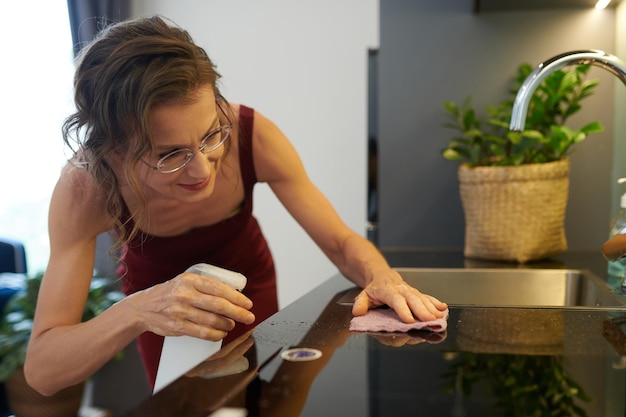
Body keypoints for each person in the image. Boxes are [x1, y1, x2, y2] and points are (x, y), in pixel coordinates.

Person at [24, 15, 447, 395]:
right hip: (161, 313)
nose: (202, 169)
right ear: (115, 152)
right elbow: (42, 372)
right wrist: (138, 309)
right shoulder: (84, 189)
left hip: (252, 293)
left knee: (273, 401)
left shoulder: (252, 135)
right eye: (171, 154)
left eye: (211, 135)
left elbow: (338, 241)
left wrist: (383, 277)